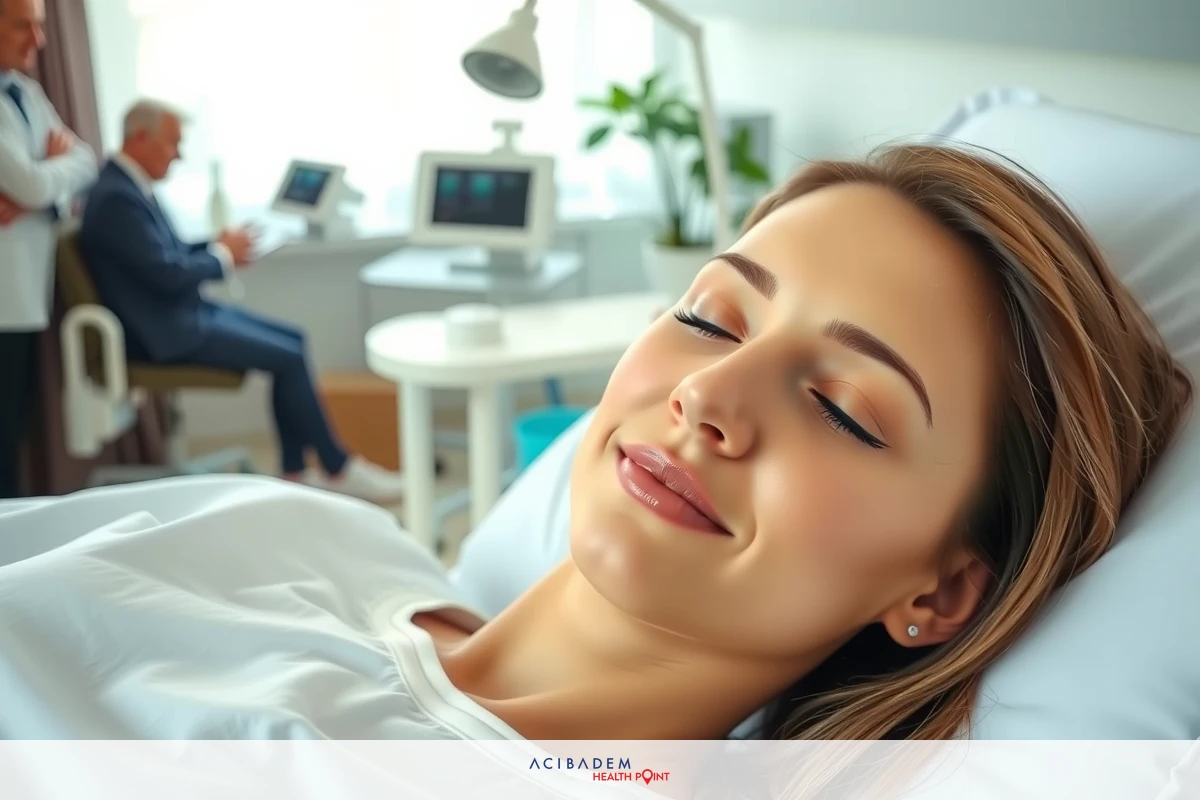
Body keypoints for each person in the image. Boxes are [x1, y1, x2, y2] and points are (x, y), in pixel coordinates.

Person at [0, 144, 1190, 789]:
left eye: (841, 407)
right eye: (714, 318)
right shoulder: (303, 532)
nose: (708, 395)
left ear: (936, 590)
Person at [77, 99, 404, 503]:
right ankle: (335, 469)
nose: (178, 156)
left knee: (294, 340)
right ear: (140, 138)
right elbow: (166, 275)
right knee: (286, 358)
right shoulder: (116, 198)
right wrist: (222, 256)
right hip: (164, 332)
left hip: (178, 312)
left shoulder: (127, 187)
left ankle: (295, 471)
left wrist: (219, 246)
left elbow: (166, 254)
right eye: (173, 144)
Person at [0, 0, 97, 498]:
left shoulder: (27, 91)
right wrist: (38, 183)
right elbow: (35, 187)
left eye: (41, 26)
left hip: (24, 294)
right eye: (23, 26)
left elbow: (86, 160)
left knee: (13, 430)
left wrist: (37, 181)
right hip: (5, 295)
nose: (38, 40)